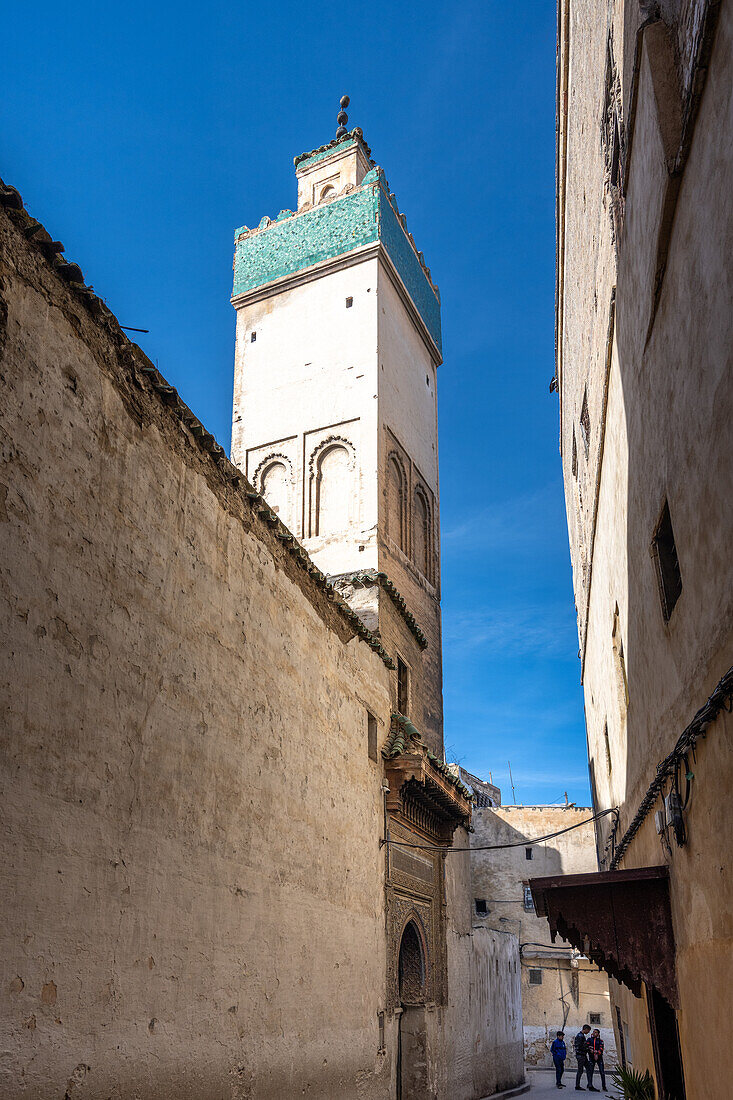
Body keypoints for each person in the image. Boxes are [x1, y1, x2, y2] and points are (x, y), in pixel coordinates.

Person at [573, 1024, 593, 1091]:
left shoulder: (581, 1036)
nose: (588, 1032)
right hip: (581, 1055)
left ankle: (589, 1085)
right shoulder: (580, 1036)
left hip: (582, 1055)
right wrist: (588, 1049)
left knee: (588, 1069)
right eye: (588, 1030)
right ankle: (577, 1085)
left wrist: (587, 1047)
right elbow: (579, 1047)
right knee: (580, 1070)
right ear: (585, 1029)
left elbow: (582, 1046)